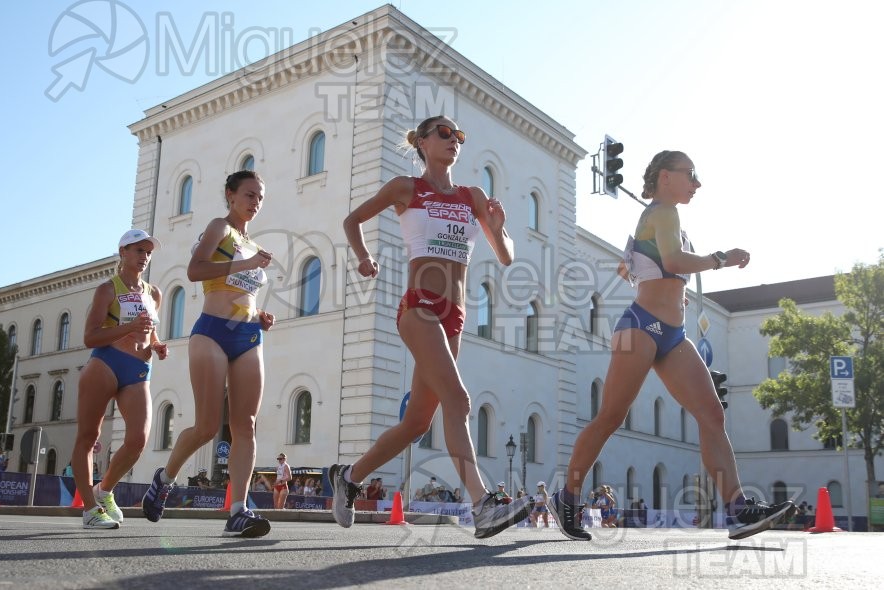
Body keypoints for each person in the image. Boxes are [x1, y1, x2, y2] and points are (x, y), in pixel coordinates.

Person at [547, 150, 796, 541]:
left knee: (712, 414)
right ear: (666, 176)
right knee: (611, 416)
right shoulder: (664, 211)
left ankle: (739, 508)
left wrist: (638, 269)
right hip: (641, 328)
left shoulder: (661, 217)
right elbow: (674, 261)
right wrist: (721, 258)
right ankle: (567, 496)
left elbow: (638, 263)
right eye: (691, 175)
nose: (697, 184)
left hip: (674, 335)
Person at [331, 116, 532, 539]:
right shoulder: (406, 188)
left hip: (454, 314)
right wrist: (364, 259)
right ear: (422, 142)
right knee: (458, 399)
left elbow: (506, 255)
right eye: (443, 133)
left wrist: (497, 229)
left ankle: (348, 477)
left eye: (459, 135)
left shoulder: (471, 195)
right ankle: (482, 505)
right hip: (419, 306)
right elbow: (352, 221)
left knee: (418, 423)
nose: (453, 140)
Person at [141, 170, 275, 538]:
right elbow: (196, 270)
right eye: (249, 195)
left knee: (245, 424)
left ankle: (238, 510)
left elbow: (242, 294)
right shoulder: (221, 228)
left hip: (246, 335)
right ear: (230, 195)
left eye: (260, 197)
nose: (255, 202)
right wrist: (247, 265)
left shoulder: (251, 241)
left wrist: (259, 315)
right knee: (206, 426)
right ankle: (164, 479)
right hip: (211, 333)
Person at [71, 229, 167, 530]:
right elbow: (90, 336)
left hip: (138, 371)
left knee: (138, 439)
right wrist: (127, 329)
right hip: (105, 363)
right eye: (138, 250)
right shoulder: (107, 289)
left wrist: (156, 345)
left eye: (148, 252)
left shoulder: (154, 293)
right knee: (88, 437)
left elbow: (149, 331)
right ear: (123, 252)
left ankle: (105, 490)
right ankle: (89, 508)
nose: (144, 257)